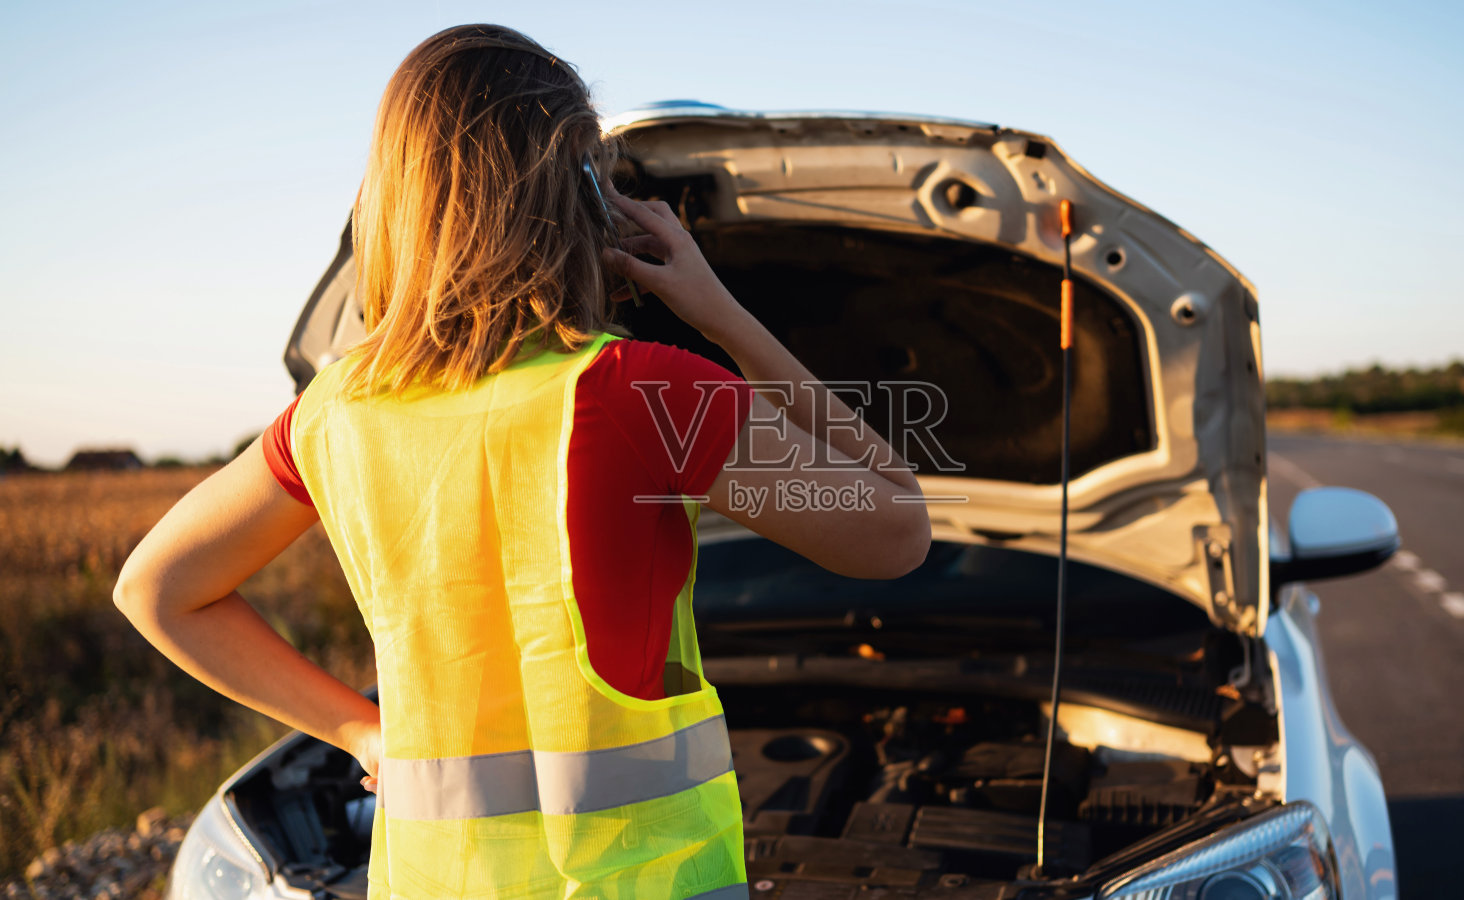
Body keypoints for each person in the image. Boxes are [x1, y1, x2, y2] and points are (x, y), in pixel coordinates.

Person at [113, 22, 931, 900]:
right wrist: (721, 313)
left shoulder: (333, 412)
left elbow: (155, 590)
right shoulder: (639, 391)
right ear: (574, 196)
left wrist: (359, 732)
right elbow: (897, 530)